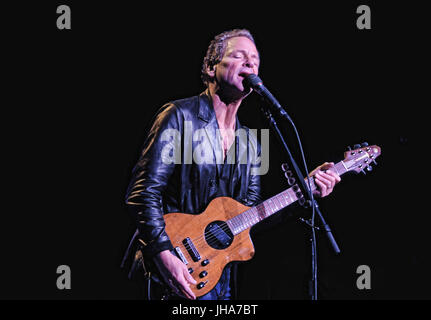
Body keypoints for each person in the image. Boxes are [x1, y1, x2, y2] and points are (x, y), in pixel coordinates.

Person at [124, 29, 341, 300]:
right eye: (239, 56)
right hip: (164, 272)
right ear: (211, 67)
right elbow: (143, 193)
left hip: (216, 279)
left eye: (255, 61)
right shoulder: (178, 116)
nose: (250, 63)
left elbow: (249, 218)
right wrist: (164, 255)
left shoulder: (251, 143)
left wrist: (304, 192)